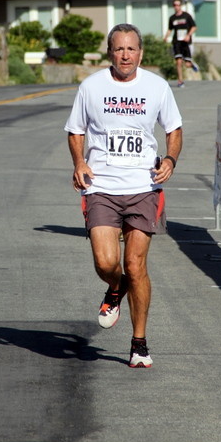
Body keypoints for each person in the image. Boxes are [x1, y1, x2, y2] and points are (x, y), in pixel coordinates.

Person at [65, 23, 183, 368]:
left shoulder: (157, 87)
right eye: (119, 49)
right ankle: (115, 287)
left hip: (144, 187)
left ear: (141, 53)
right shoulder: (91, 87)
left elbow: (173, 129)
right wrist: (79, 162)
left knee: (135, 265)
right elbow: (76, 130)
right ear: (109, 53)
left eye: (131, 49)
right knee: (106, 263)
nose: (125, 55)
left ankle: (139, 343)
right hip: (101, 186)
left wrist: (171, 158)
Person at [163, 0, 199, 87]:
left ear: (181, 6)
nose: (176, 7)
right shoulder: (172, 18)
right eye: (175, 5)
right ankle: (180, 81)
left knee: (186, 64)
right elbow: (170, 29)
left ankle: (191, 64)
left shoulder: (187, 16)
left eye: (178, 5)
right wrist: (166, 37)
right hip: (177, 42)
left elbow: (194, 27)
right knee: (178, 62)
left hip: (185, 42)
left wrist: (188, 35)